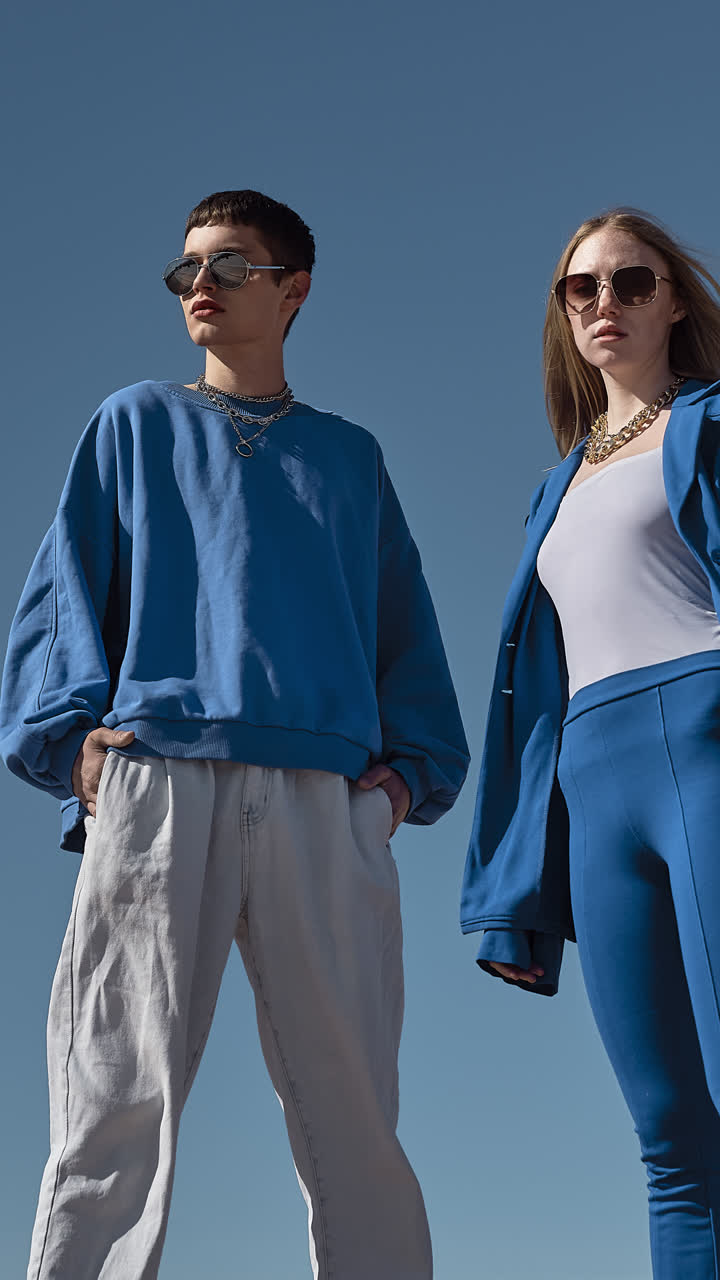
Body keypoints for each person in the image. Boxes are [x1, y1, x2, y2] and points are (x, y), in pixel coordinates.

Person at [1, 188, 469, 1280]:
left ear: (294, 289)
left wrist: (398, 787)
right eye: (187, 270)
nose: (199, 285)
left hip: (325, 797)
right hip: (159, 781)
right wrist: (67, 745)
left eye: (231, 265)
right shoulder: (133, 422)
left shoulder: (350, 459)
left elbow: (406, 631)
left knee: (355, 1118)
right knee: (114, 1104)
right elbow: (61, 597)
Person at [461, 207, 720, 1277]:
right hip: (593, 781)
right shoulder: (553, 487)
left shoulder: (713, 421)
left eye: (629, 281)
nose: (603, 302)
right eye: (582, 288)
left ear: (674, 301)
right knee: (669, 1136)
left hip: (707, 739)